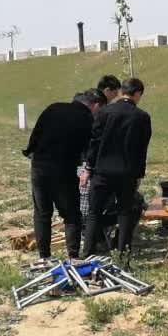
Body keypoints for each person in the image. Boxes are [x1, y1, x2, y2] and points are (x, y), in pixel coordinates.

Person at [23, 89, 106, 260]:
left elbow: (35, 136)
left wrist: (33, 154)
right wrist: (88, 167)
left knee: (42, 213)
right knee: (71, 215)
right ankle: (73, 257)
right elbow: (89, 148)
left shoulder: (53, 108)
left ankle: (44, 257)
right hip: (63, 170)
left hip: (39, 166)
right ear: (96, 105)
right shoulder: (86, 118)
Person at [81, 78, 152, 261]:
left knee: (94, 213)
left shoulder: (105, 112)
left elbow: (94, 142)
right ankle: (122, 255)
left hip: (102, 171)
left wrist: (88, 167)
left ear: (122, 92)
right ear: (137, 94)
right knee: (125, 213)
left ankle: (87, 253)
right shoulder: (142, 117)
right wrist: (139, 174)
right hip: (127, 173)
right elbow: (142, 149)